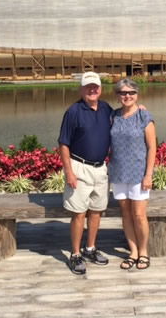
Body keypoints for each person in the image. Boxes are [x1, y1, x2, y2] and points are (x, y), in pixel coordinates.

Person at [58, 71, 112, 275]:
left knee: (97, 211)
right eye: (88, 87)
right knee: (79, 213)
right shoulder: (73, 111)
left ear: (100, 88)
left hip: (100, 168)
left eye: (95, 87)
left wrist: (140, 108)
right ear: (81, 89)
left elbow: (126, 114)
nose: (92, 90)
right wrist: (69, 172)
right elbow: (63, 144)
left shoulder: (106, 108)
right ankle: (75, 254)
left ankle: (90, 248)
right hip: (79, 167)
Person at [108, 78, 156, 270]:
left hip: (138, 173)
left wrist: (148, 175)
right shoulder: (113, 116)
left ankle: (144, 252)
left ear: (137, 94)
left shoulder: (144, 116)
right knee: (126, 215)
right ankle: (133, 251)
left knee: (139, 215)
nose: (127, 96)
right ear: (118, 95)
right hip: (119, 172)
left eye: (131, 93)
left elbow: (152, 147)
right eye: (123, 93)